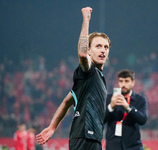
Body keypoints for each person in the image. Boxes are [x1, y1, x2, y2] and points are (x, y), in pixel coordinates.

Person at [36, 6, 111, 150]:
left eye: (106, 47)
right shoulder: (88, 71)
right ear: (89, 50)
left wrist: (52, 127)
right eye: (98, 46)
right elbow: (82, 55)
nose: (103, 50)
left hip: (92, 138)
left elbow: (66, 102)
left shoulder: (96, 78)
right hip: (84, 137)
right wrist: (86, 20)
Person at [104, 69, 148, 150]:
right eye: (121, 81)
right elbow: (100, 120)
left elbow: (143, 120)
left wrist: (128, 107)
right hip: (113, 146)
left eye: (127, 81)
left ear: (133, 82)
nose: (123, 84)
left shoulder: (140, 99)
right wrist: (111, 106)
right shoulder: (110, 98)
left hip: (133, 146)